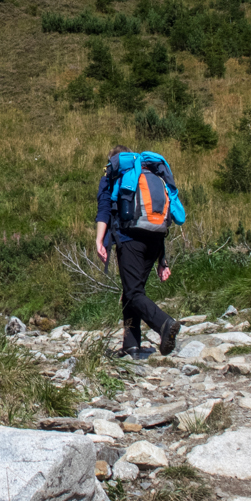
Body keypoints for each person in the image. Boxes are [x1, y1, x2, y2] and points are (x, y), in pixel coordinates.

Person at [94, 146, 180, 359]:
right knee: (132, 290)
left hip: (130, 239)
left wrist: (99, 240)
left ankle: (163, 323)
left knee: (132, 293)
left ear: (113, 161)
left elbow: (104, 209)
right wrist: (163, 260)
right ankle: (131, 345)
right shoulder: (150, 173)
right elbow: (159, 220)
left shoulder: (113, 176)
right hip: (155, 240)